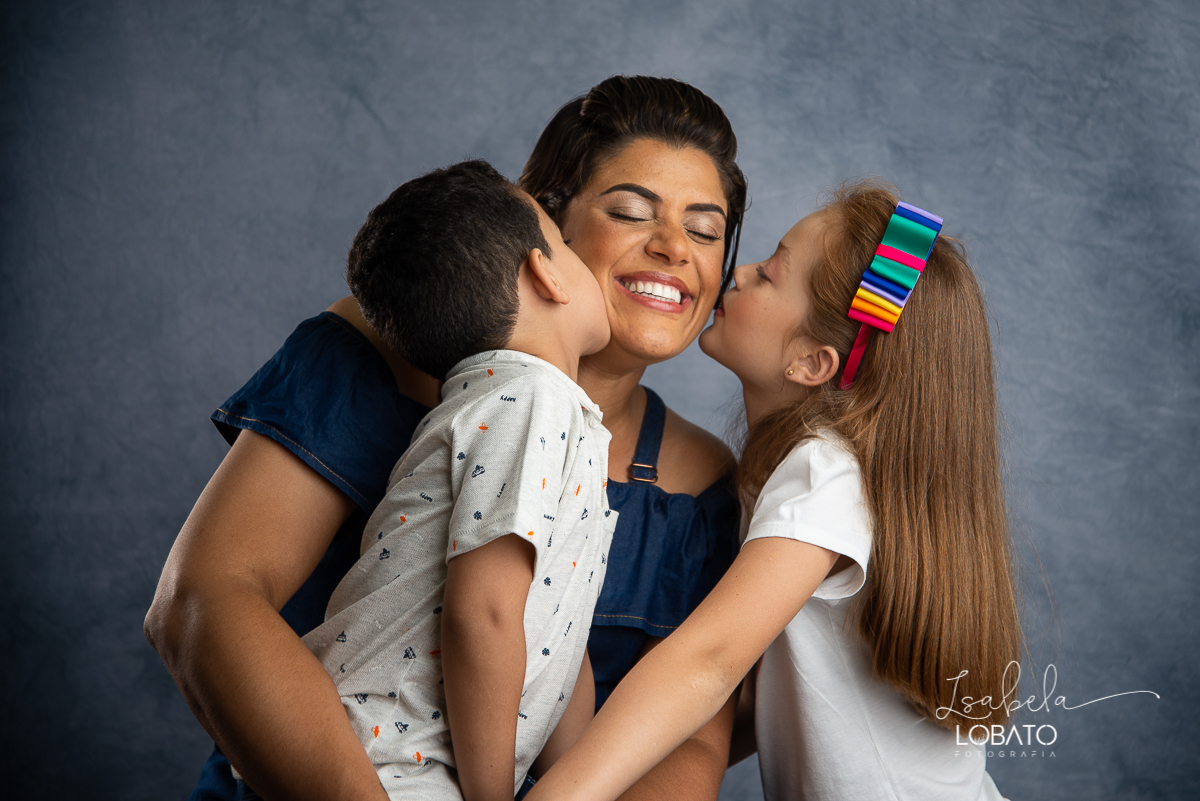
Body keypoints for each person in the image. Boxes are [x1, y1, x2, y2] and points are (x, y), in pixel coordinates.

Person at [145, 75, 747, 801]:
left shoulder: (700, 480)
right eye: (628, 211)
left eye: (707, 231)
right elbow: (202, 601)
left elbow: (689, 731)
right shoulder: (381, 356)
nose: (675, 248)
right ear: (538, 230)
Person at [523, 181, 1023, 801]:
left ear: (812, 364)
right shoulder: (809, 475)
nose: (739, 270)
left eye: (771, 273)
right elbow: (767, 699)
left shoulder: (825, 474)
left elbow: (708, 661)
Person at [265, 159, 610, 800]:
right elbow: (482, 612)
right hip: (395, 769)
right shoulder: (530, 399)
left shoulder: (524, 405)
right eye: (564, 243)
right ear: (546, 273)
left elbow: (559, 627)